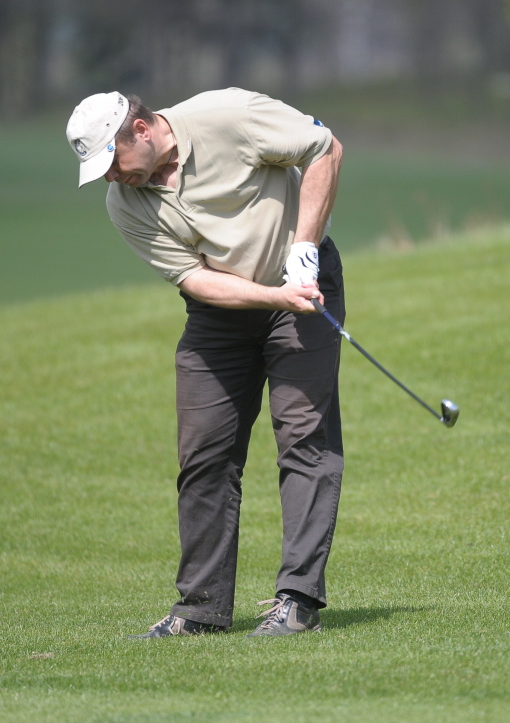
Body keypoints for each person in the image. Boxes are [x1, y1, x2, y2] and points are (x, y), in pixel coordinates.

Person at [65, 88, 345, 637]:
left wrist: (303, 250)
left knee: (303, 437)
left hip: (304, 283)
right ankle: (201, 610)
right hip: (221, 313)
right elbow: (195, 279)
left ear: (141, 130)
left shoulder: (229, 116)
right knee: (203, 451)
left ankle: (297, 601)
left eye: (112, 161)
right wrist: (274, 297)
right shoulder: (124, 203)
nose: (111, 177)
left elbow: (326, 147)